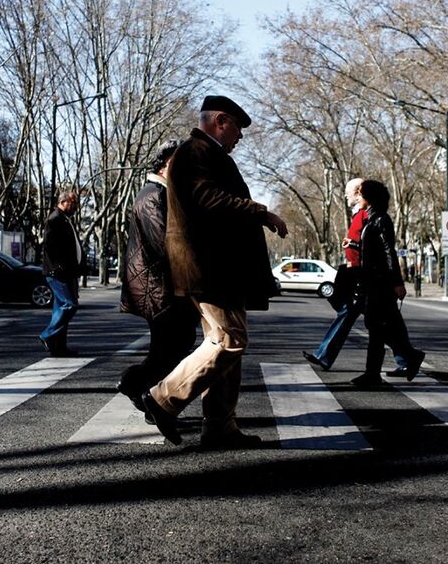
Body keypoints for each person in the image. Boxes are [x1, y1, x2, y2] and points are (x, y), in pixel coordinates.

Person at [139, 95, 288, 449]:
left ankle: (220, 426)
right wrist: (261, 212)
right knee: (229, 340)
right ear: (221, 121)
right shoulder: (195, 152)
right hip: (209, 269)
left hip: (220, 268)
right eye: (238, 127)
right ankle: (163, 399)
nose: (240, 136)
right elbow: (207, 198)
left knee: (224, 348)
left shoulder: (206, 154)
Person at [117, 140, 199, 413]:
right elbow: (164, 242)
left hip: (159, 284)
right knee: (170, 348)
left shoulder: (160, 193)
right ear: (165, 165)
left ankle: (146, 392)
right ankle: (139, 387)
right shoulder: (153, 195)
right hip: (157, 286)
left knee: (175, 345)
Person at [350, 179, 425, 387]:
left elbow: (388, 252)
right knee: (381, 327)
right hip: (373, 282)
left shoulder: (381, 220)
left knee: (376, 327)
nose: (357, 198)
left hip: (380, 284)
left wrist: (397, 282)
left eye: (360, 194)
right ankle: (409, 357)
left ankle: (375, 373)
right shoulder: (372, 219)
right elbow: (374, 250)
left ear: (369, 197)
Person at [303, 178, 367, 371]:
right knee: (372, 319)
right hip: (355, 274)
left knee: (379, 322)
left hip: (362, 276)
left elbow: (375, 247)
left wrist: (353, 246)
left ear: (358, 192)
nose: (346, 196)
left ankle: (407, 356)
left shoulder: (366, 215)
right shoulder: (359, 215)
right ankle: (324, 355)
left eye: (348, 192)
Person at [40, 188, 88, 357]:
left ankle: (58, 347)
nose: (76, 206)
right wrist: (59, 267)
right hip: (59, 273)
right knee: (69, 305)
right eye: (73, 203)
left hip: (68, 272)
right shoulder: (55, 219)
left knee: (60, 308)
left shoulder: (65, 219)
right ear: (63, 202)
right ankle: (48, 335)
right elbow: (49, 246)